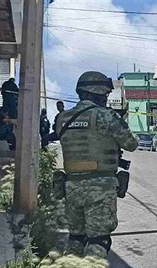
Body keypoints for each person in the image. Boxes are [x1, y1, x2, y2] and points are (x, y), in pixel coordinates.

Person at [56, 71, 138, 258]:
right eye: (105, 95)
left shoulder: (63, 118)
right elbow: (131, 143)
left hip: (71, 187)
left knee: (76, 238)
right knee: (98, 240)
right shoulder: (105, 116)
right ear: (98, 94)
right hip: (100, 187)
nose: (106, 98)